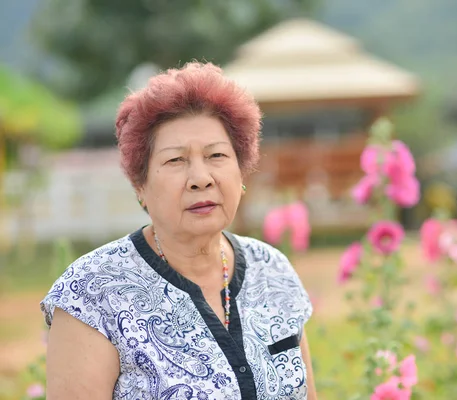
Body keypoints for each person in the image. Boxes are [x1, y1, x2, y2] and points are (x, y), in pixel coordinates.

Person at [40, 62, 317, 400]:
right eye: (175, 160)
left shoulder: (273, 270)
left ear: (241, 173)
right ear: (140, 185)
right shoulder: (93, 293)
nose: (201, 177)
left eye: (216, 155)